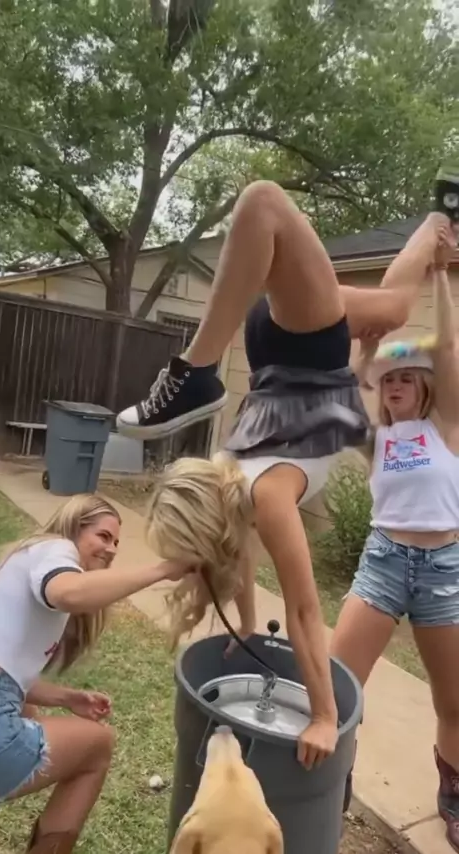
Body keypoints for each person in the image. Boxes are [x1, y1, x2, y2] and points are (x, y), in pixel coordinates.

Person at [117, 170, 458, 772]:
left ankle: (197, 371)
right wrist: (252, 633)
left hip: (299, 355)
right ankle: (440, 219)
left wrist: (322, 713)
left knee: (267, 205)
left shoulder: (258, 494)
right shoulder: (242, 482)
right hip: (292, 353)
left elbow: (295, 605)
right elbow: (270, 586)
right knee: (388, 301)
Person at [330, 247, 459, 851]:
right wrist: (367, 350)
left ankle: (453, 794)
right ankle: (332, 782)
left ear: (426, 387)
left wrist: (441, 275)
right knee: (337, 685)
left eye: (408, 377)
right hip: (384, 563)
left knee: (453, 700)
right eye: (390, 380)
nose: (398, 384)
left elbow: (447, 348)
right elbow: (350, 382)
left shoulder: (447, 429)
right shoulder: (376, 437)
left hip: (444, 571)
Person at [0, 494, 189, 854]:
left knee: (27, 715)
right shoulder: (54, 549)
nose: (111, 549)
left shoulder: (18, 565)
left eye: (117, 543)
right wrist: (165, 569)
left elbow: (2, 670)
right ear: (73, 528)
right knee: (97, 745)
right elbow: (68, 593)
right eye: (103, 536)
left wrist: (69, 698)